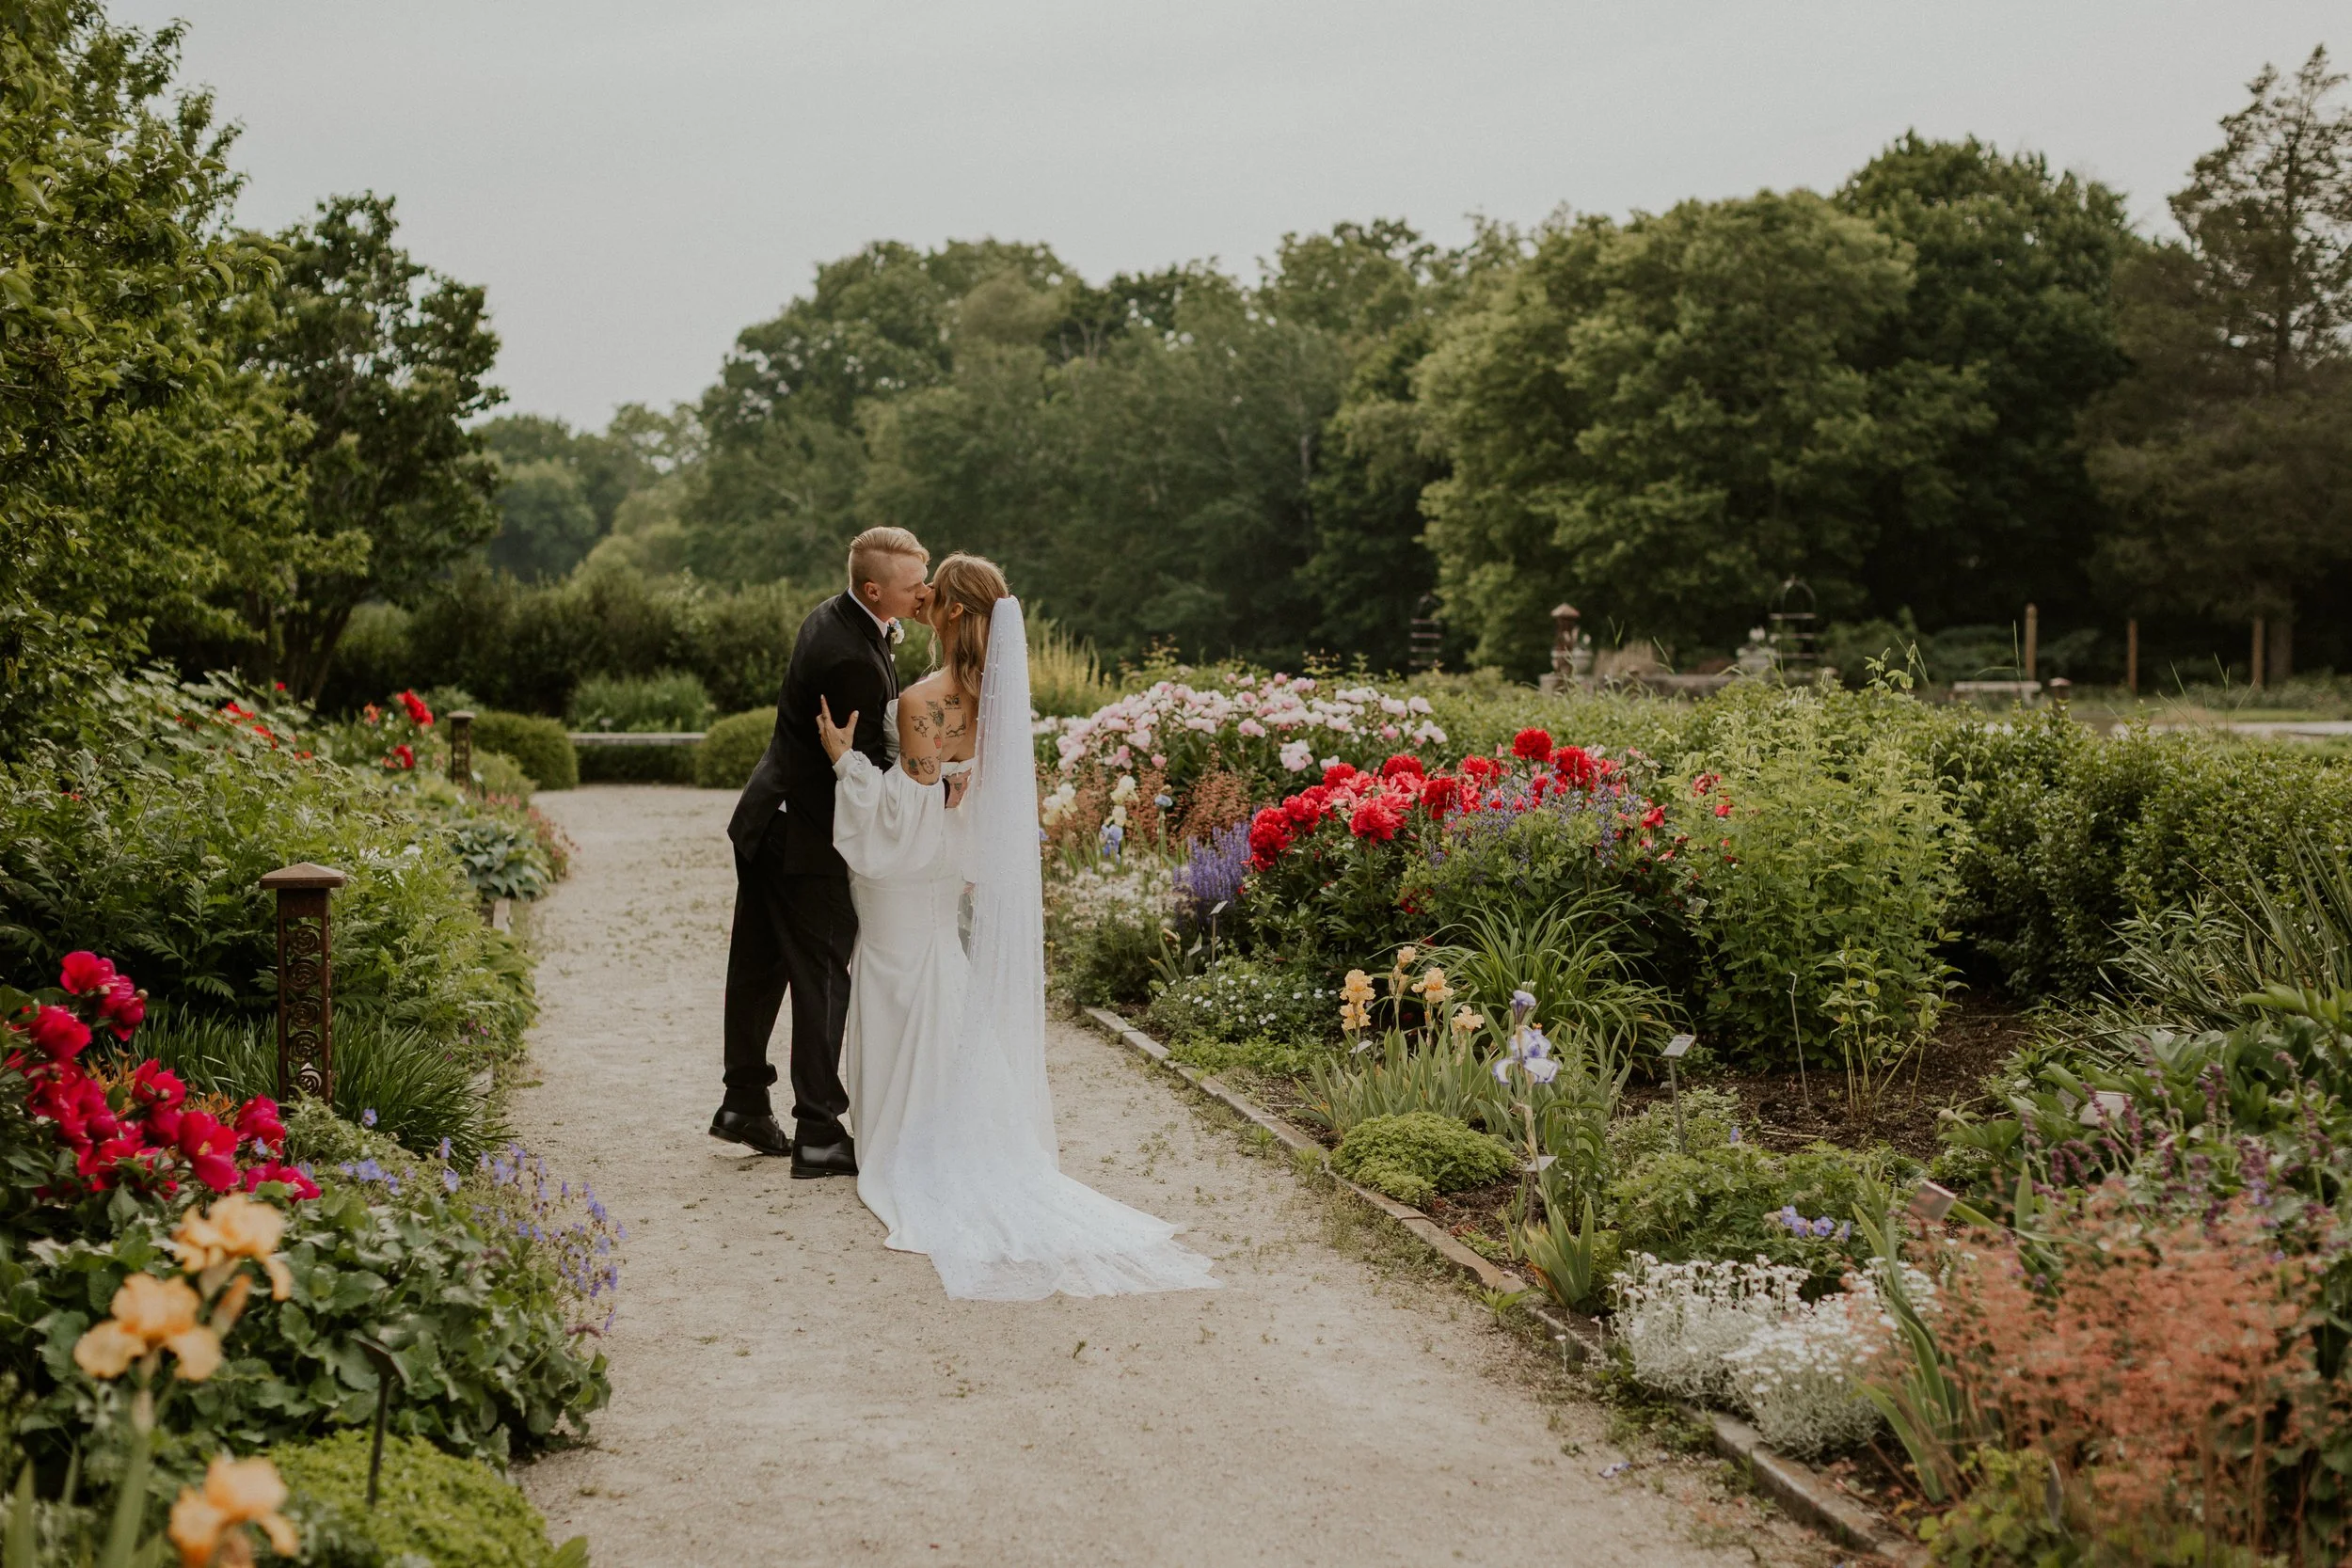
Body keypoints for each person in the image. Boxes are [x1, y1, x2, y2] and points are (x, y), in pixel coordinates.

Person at [816, 553, 1219, 1300]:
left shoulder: (921, 702)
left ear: (953, 615)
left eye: (934, 592)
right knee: (941, 977)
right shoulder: (995, 704)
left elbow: (904, 818)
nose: (925, 598)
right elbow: (963, 806)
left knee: (901, 980)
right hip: (946, 878)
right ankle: (948, 1123)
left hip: (903, 880)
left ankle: (901, 1136)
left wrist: (846, 766)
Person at [712, 526, 931, 1178]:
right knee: (823, 974)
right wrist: (937, 782)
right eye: (913, 583)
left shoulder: (833, 616)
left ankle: (743, 1102)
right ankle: (819, 1129)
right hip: (805, 833)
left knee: (758, 965)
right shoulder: (852, 659)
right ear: (874, 590)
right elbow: (869, 770)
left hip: (766, 816)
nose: (923, 591)